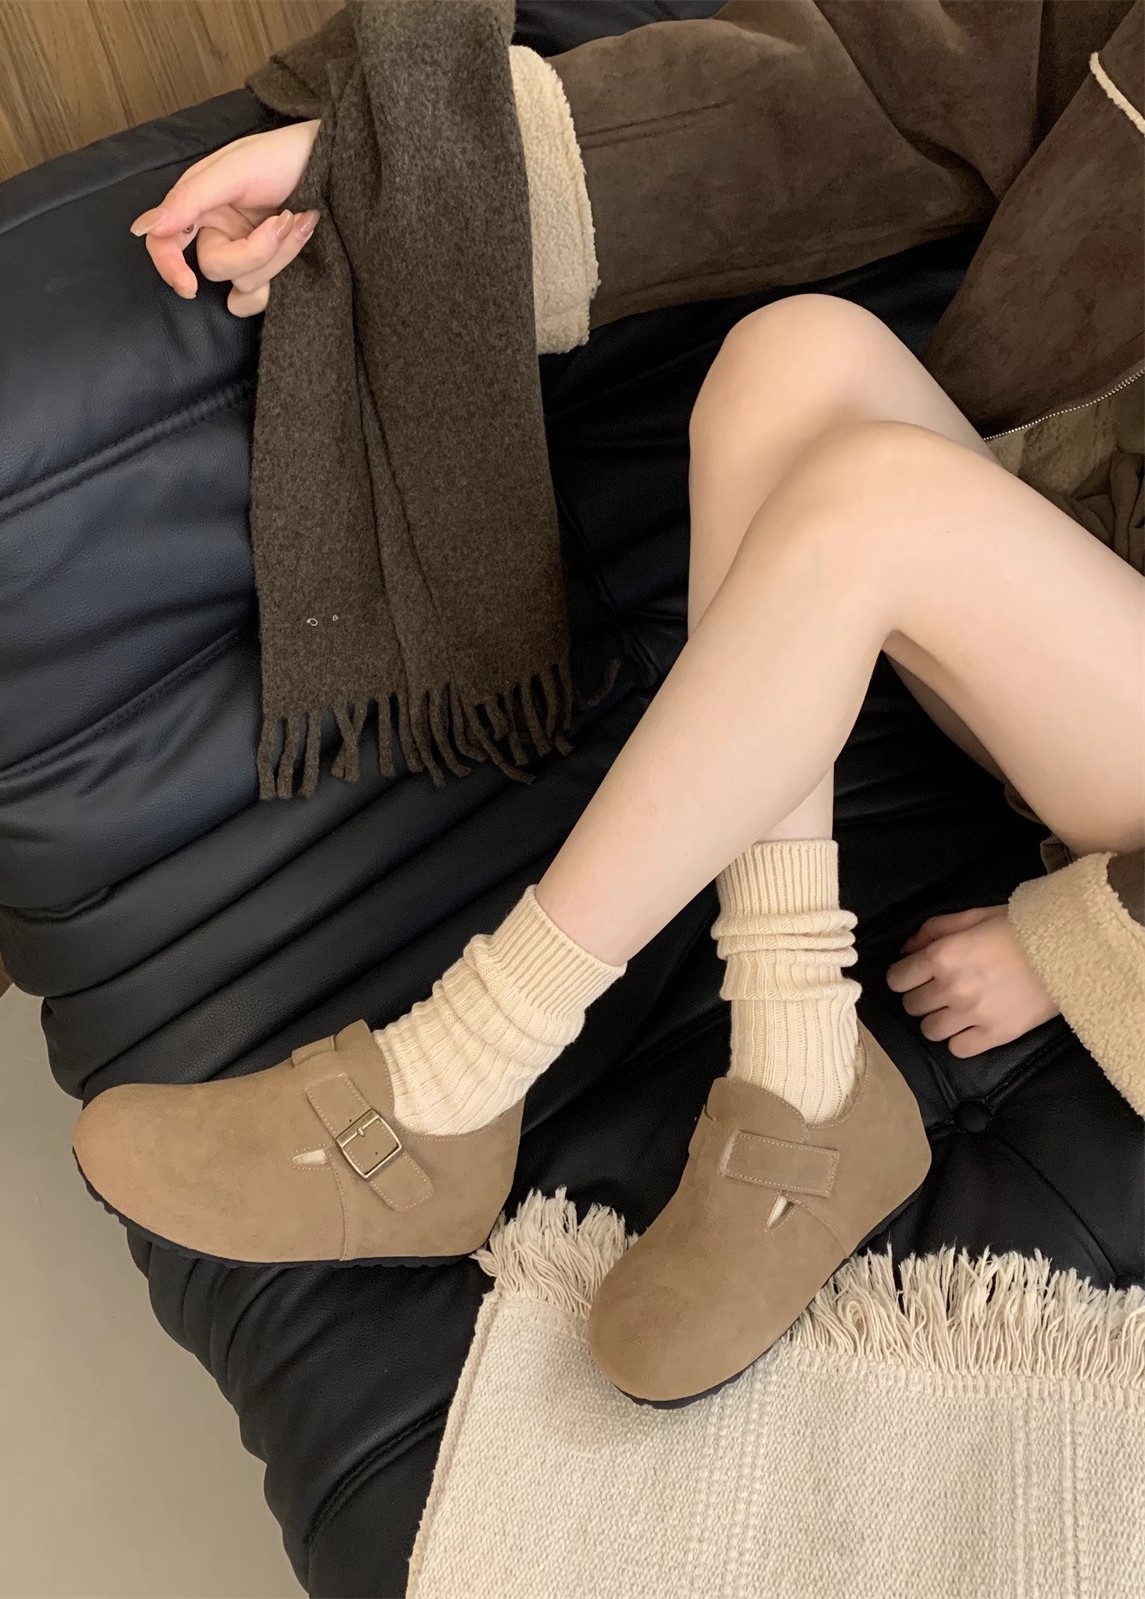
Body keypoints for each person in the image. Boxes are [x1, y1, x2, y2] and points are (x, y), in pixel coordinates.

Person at [75, 5, 1144, 1407]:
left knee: (878, 506)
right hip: (1083, 637)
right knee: (792, 358)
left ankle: (460, 1070)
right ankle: (802, 1064)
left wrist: (1091, 936)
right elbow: (878, 90)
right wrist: (381, 175)